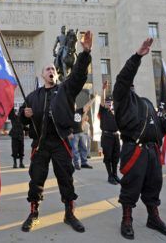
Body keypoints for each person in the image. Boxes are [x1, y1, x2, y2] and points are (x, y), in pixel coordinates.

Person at [19, 31, 93, 233]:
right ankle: (33, 213)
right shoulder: (33, 96)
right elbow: (19, 118)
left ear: (57, 74)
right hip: (41, 144)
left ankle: (70, 214)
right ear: (42, 75)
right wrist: (24, 114)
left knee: (66, 179)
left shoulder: (65, 89)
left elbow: (78, 75)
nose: (51, 70)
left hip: (60, 142)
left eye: (53, 68)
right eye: (48, 69)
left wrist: (85, 53)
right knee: (36, 180)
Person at [113, 38, 166, 240]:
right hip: (134, 151)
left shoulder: (146, 103)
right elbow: (124, 78)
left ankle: (154, 218)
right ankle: (127, 220)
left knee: (153, 187)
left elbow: (157, 128)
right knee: (130, 188)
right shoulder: (121, 99)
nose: (130, 83)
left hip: (152, 153)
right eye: (128, 82)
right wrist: (137, 56)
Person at [99, 81, 120, 185]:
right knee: (108, 157)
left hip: (116, 136)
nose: (109, 103)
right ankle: (110, 176)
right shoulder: (103, 111)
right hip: (106, 136)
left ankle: (115, 175)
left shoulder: (115, 112)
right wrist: (104, 89)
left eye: (110, 102)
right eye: (107, 102)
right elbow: (102, 100)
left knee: (116, 157)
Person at [72, 96, 96, 170]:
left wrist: (93, 99)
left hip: (81, 132)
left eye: (74, 104)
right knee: (75, 149)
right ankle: (76, 164)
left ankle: (84, 163)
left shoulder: (79, 111)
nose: (74, 105)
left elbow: (87, 105)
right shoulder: (68, 113)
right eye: (72, 104)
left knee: (84, 148)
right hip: (74, 134)